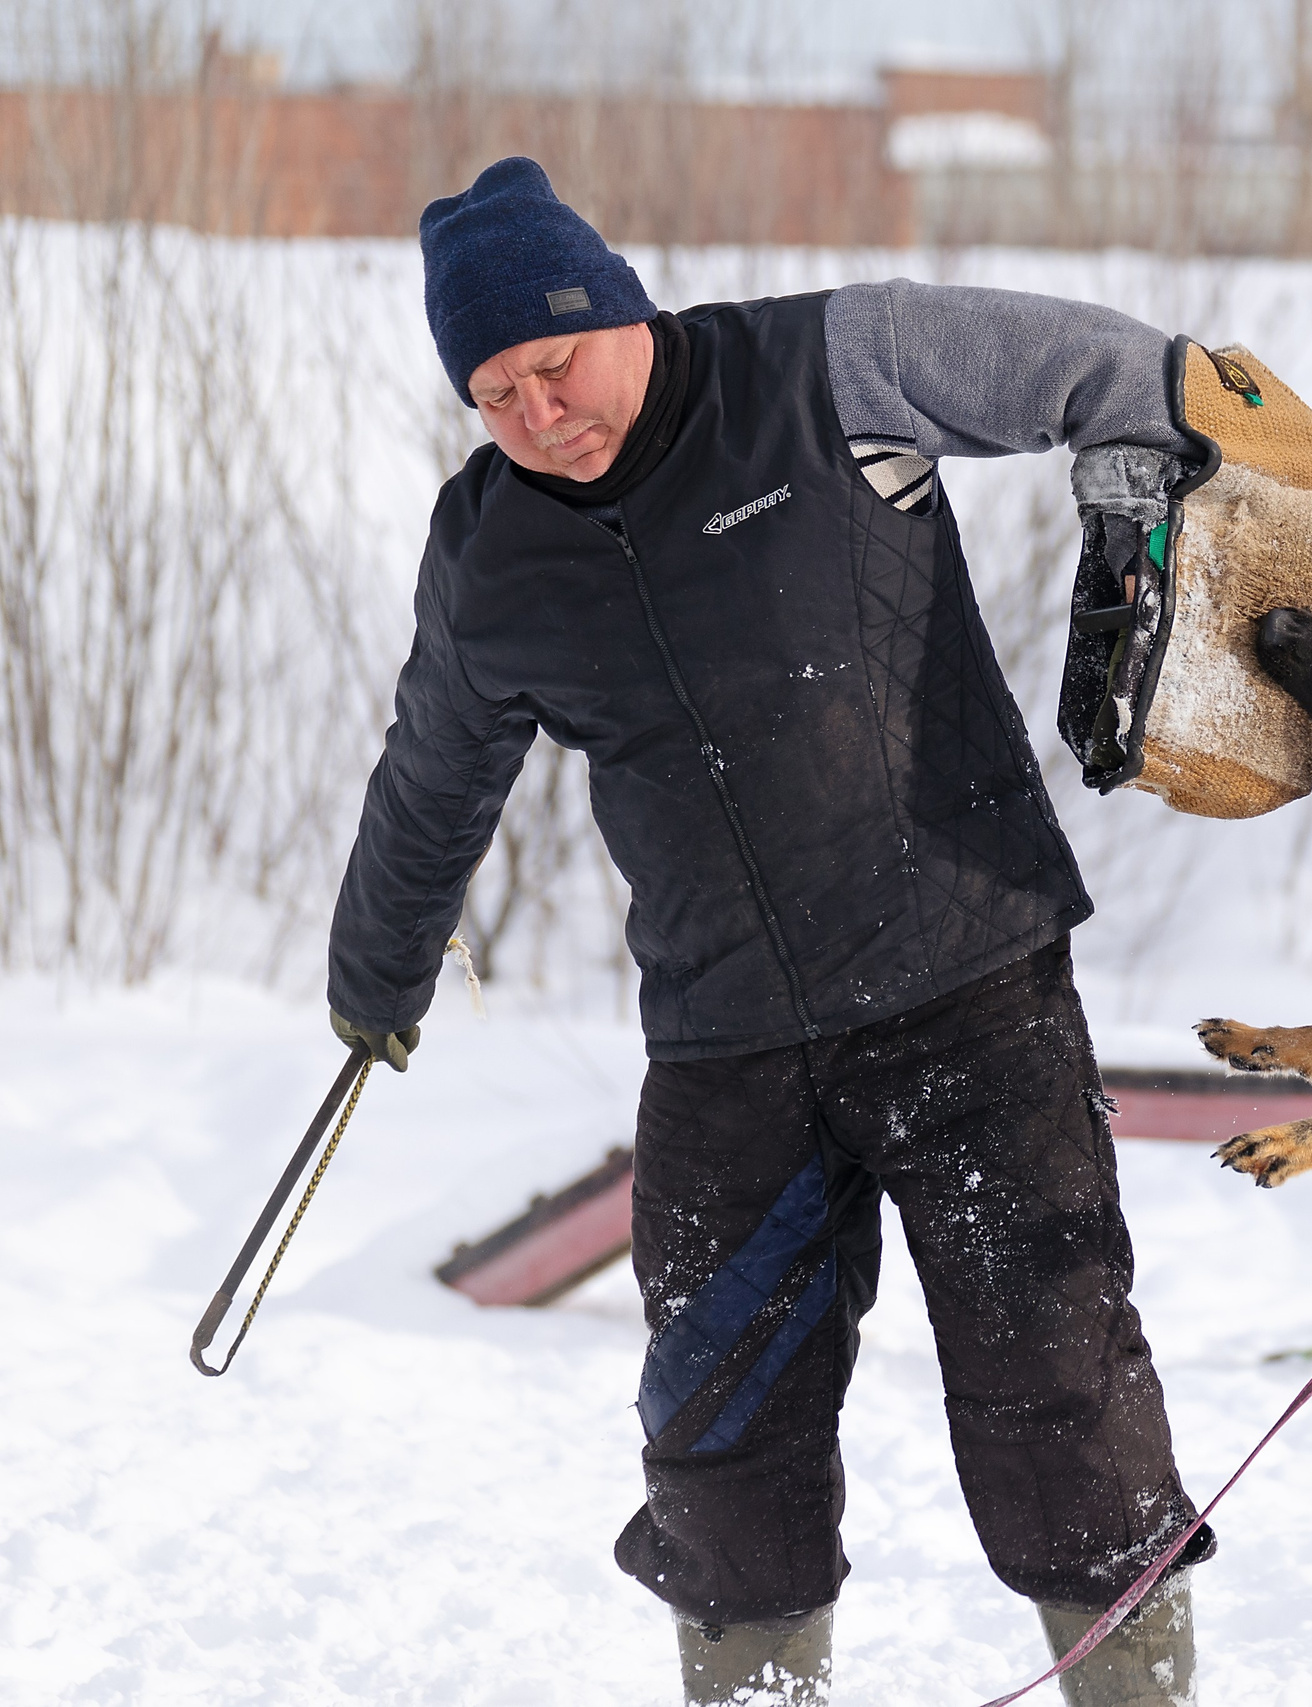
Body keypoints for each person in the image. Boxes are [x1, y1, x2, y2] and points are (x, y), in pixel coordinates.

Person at [325, 157, 1211, 1707]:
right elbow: (433, 773)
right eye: (495, 393)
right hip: (728, 1052)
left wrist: (1133, 518)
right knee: (720, 1443)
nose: (539, 414)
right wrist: (375, 977)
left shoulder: (831, 364)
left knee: (1059, 1392)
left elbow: (1119, 372)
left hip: (969, 990)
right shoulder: (487, 554)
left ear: (620, 310)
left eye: (557, 363)